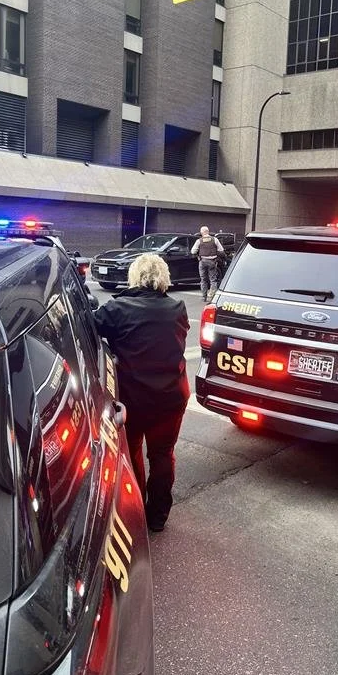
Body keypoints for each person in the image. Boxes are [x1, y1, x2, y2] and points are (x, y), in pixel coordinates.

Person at [94, 253, 190, 532]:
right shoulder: (178, 308)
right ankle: (158, 516)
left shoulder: (117, 309)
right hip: (171, 397)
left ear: (134, 277)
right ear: (164, 277)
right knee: (162, 454)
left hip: (134, 399)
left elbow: (90, 326)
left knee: (133, 450)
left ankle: (135, 508)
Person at [191, 225, 225, 303]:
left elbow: (193, 251)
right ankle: (212, 297)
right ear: (208, 232)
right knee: (213, 279)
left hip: (202, 261)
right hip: (212, 262)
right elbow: (221, 250)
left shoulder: (199, 240)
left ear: (201, 233)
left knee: (203, 280)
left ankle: (204, 297)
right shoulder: (215, 239)